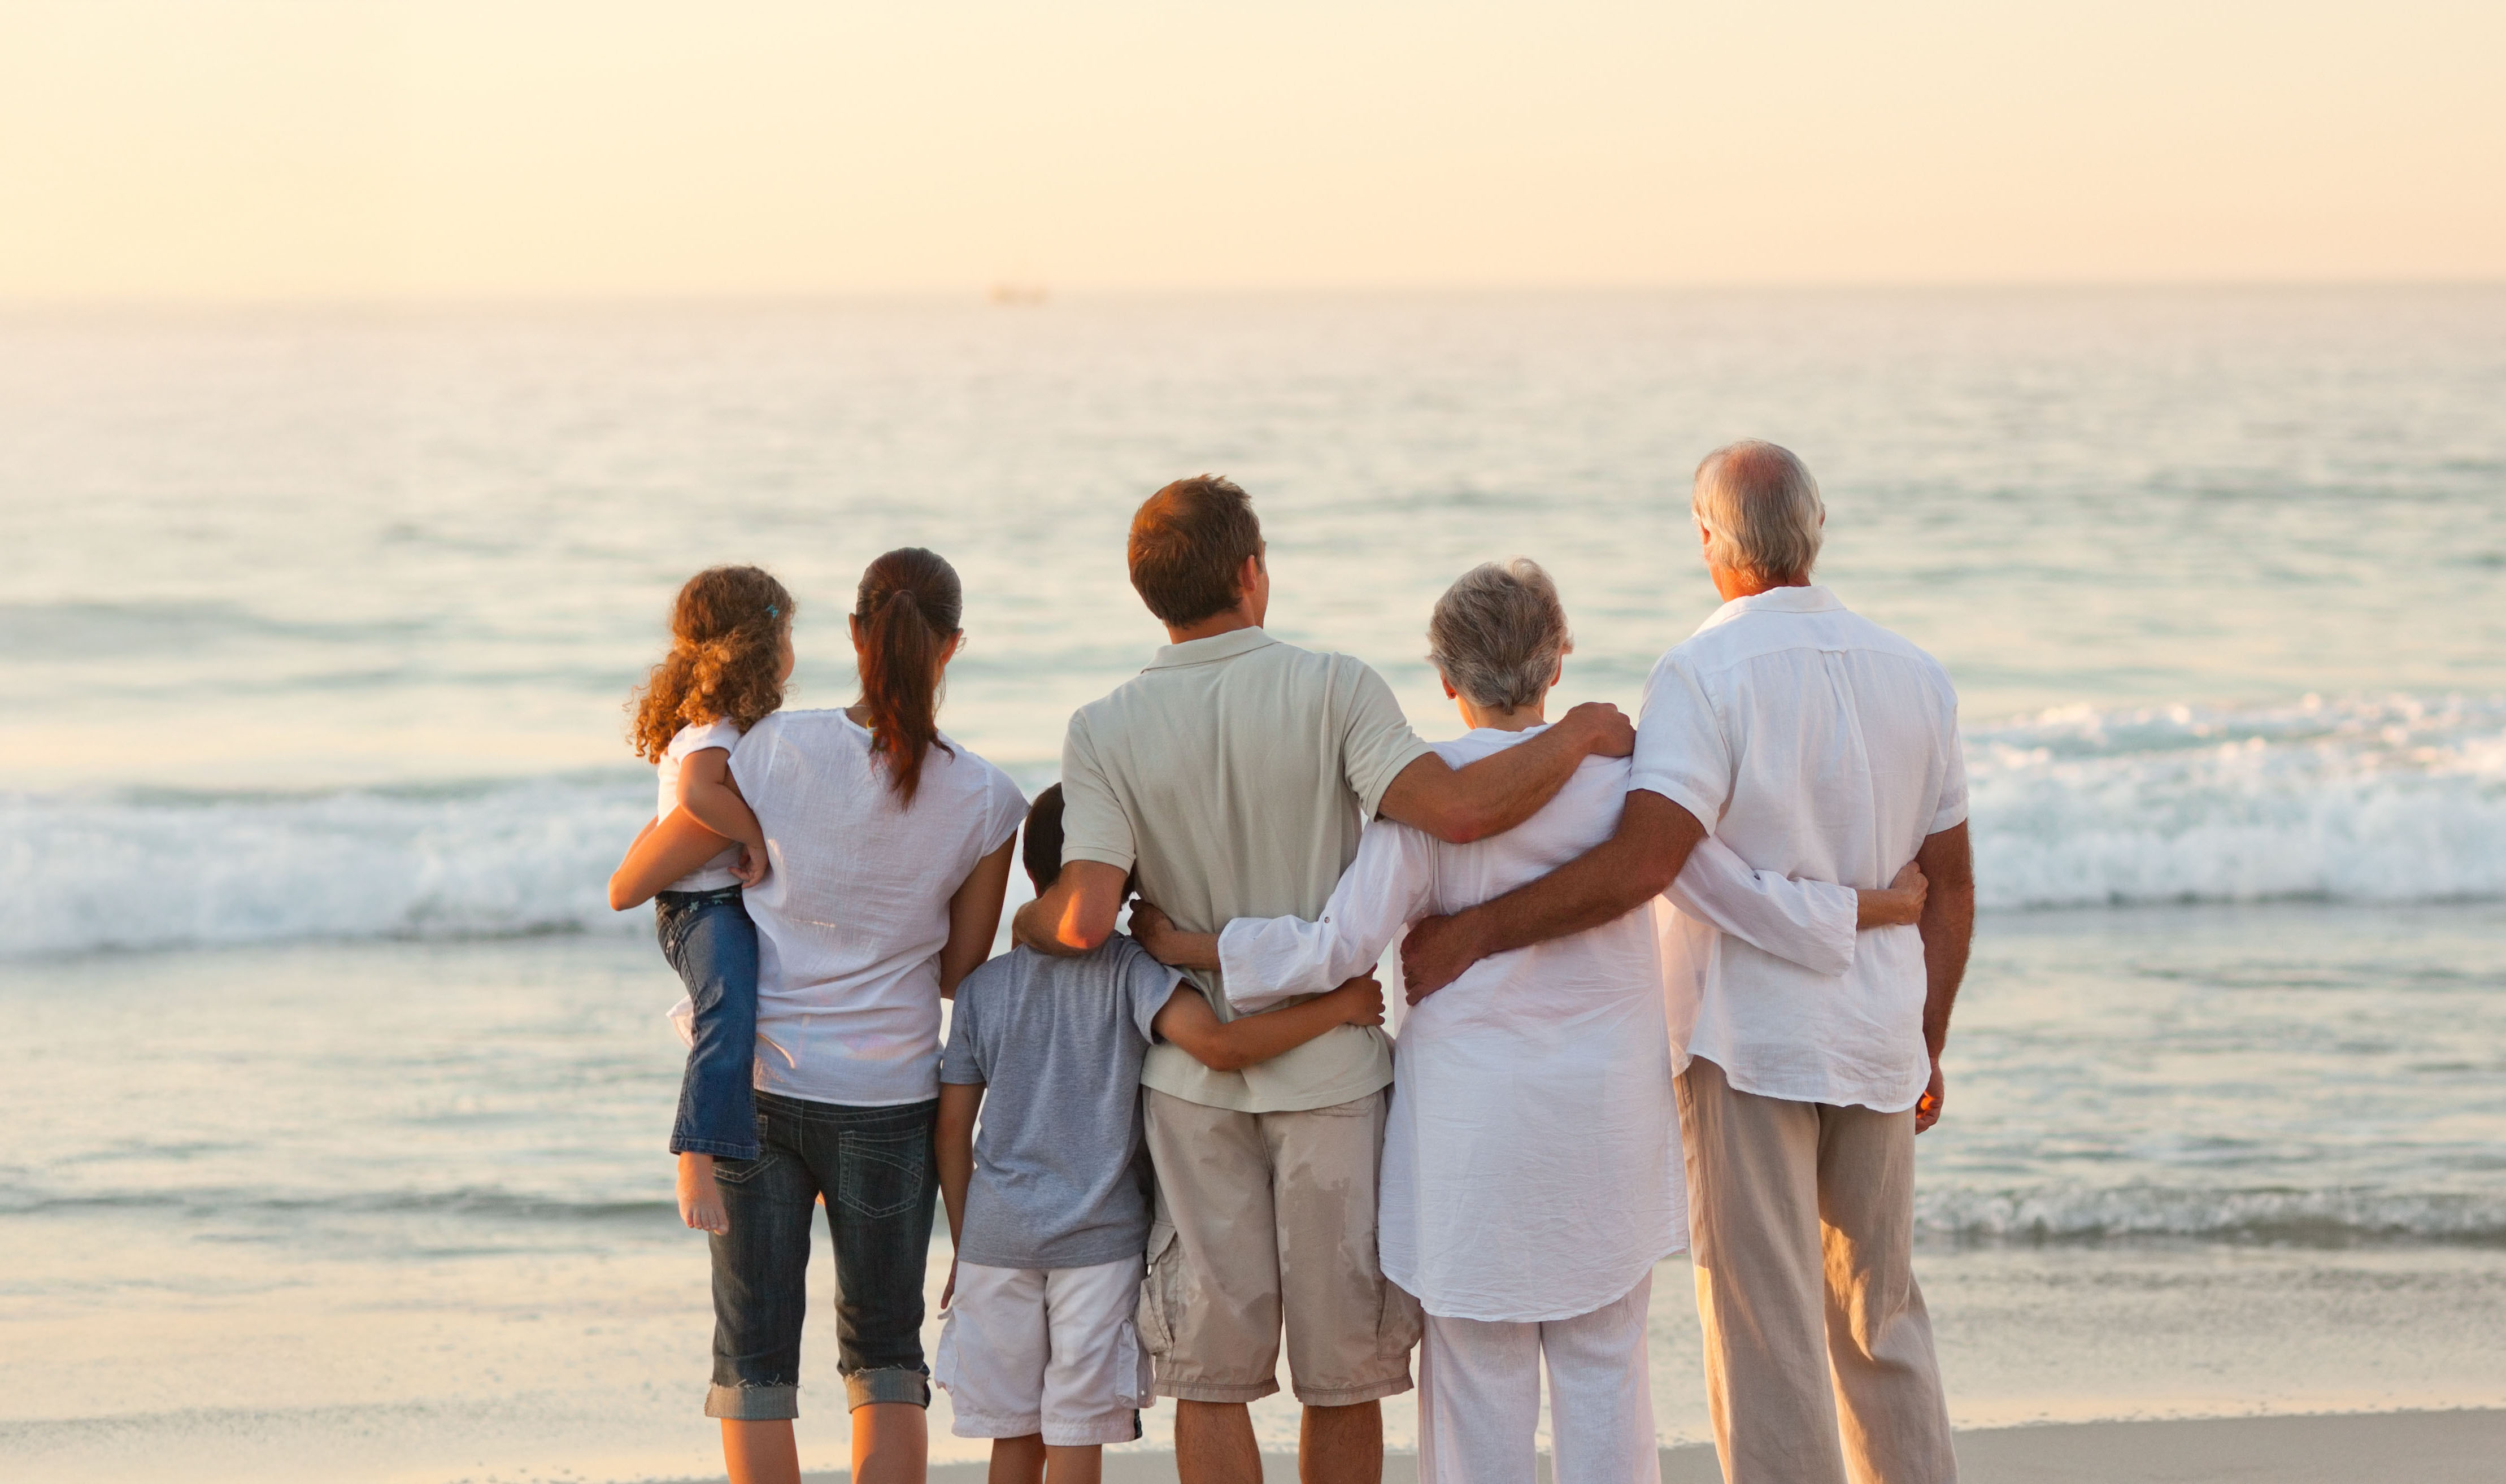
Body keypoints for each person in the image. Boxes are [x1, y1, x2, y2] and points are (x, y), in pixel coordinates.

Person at [1132, 559, 1924, 1484]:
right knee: (1608, 1388)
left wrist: (1194, 944)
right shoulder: (1629, 784)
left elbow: (1334, 947)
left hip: (1475, 1144)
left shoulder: (1422, 806)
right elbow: (1733, 898)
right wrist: (1868, 908)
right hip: (1604, 1132)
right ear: (1558, 663)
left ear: (1445, 679)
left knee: (1475, 1398)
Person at [1013, 476, 1638, 1484]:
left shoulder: (1101, 726)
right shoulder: (1336, 685)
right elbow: (1457, 811)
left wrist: (1025, 920)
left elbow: (1083, 915)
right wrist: (1576, 735)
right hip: (1334, 1078)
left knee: (1212, 1378)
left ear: (1148, 594)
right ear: (1253, 572)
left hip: (1191, 1090)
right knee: (1342, 1374)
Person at [1402, 443, 1977, 1484]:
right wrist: (1925, 1034)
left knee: (1766, 1324)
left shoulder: (1701, 672)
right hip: (1881, 1034)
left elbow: (1650, 861)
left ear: (1715, 542)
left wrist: (1478, 931)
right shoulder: (1917, 674)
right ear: (1813, 531)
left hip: (1747, 1037)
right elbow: (1954, 884)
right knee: (1878, 1313)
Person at [623, 547, 1028, 1484]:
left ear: (853, 634)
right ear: (952, 646)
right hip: (889, 1093)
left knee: (753, 1356)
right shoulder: (987, 798)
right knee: (886, 1350)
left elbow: (669, 863)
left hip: (753, 1089)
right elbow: (961, 970)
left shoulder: (765, 748)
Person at [932, 784, 1389, 1484]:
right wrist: (1340, 1005)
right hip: (1096, 1245)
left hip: (996, 1244)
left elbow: (954, 1128)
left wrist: (966, 1243)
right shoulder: (1130, 972)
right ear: (1124, 876)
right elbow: (1220, 1046)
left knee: (1014, 1439)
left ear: (1030, 872)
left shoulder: (981, 990)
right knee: (1075, 1438)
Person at [606, 564, 791, 1235]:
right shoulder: (713, 730)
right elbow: (694, 799)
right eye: (788, 631)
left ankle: (783, 1143)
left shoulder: (726, 725)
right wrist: (758, 838)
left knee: (763, 1011)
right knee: (730, 1008)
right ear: (761, 646)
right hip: (700, 906)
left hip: (718, 901)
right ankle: (695, 1152)